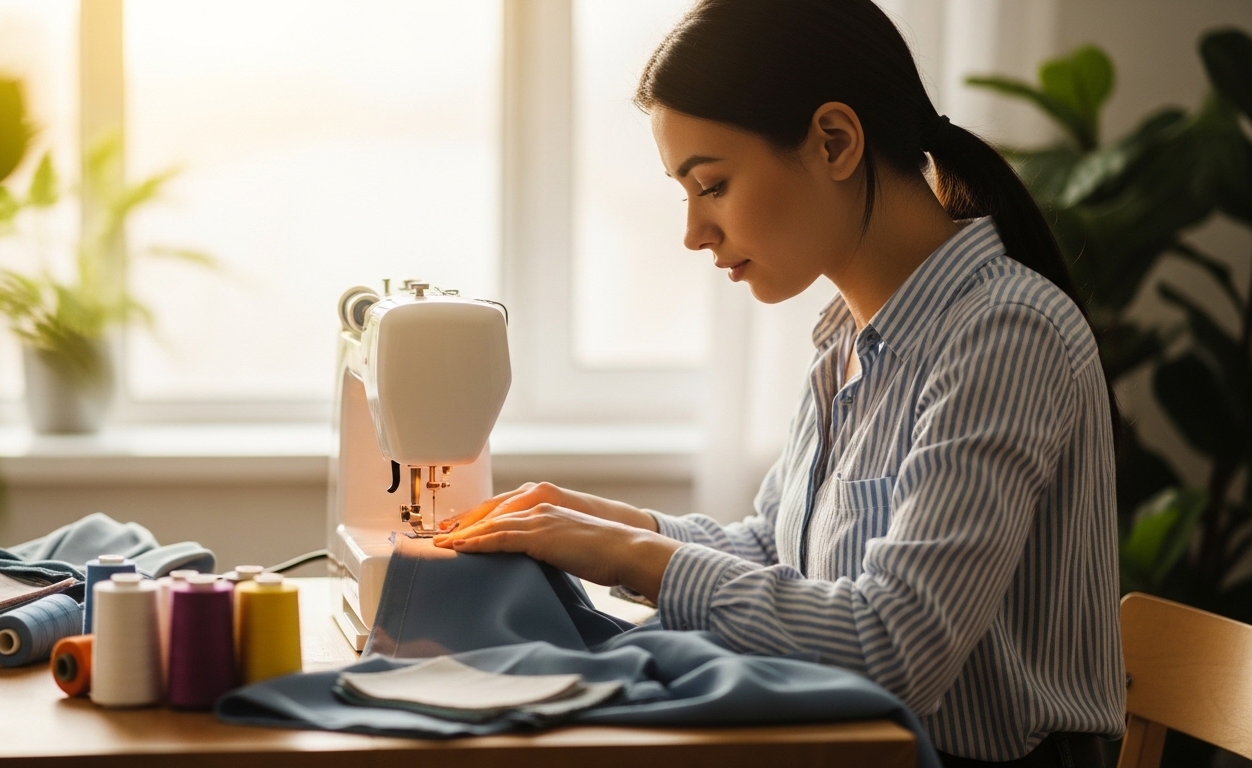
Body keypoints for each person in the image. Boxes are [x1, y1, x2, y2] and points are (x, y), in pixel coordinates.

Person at [434, 0, 1125, 765]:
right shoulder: (847, 342)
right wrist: (605, 527)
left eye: (713, 184)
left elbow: (895, 646)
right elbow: (777, 549)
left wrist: (631, 557)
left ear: (835, 141)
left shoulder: (1003, 336)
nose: (693, 232)